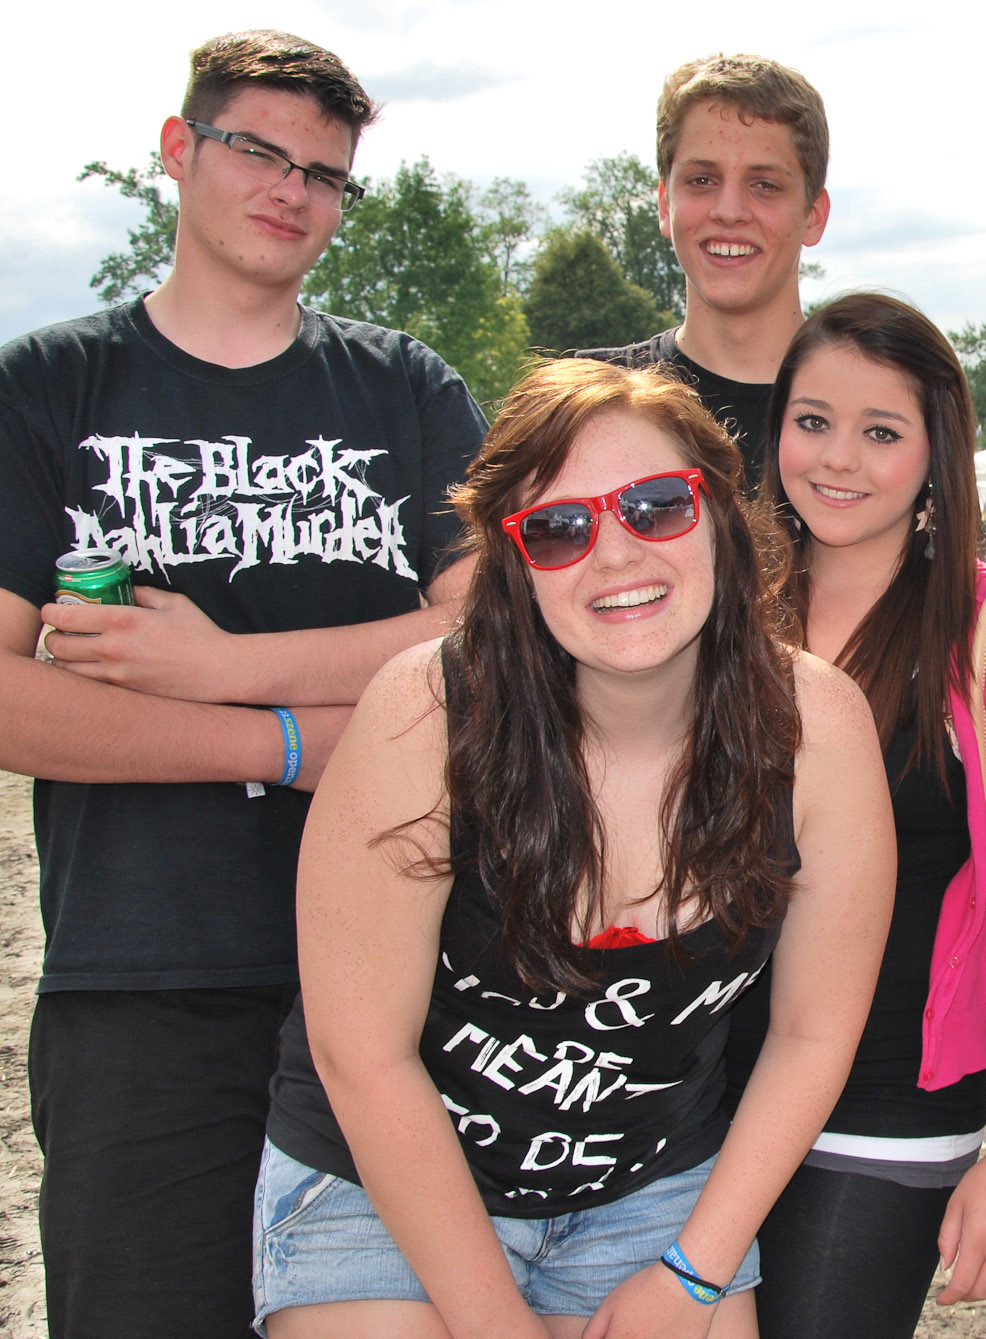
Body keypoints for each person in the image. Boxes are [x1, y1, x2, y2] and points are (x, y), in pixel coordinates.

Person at [0, 31, 488, 1338]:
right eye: (258, 151)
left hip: (404, 972)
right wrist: (281, 744)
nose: (291, 190)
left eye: (324, 174)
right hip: (140, 980)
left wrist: (220, 671)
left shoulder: (405, 390)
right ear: (179, 149)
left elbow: (483, 634)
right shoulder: (49, 386)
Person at [253, 359, 895, 1337]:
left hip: (648, 1192)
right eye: (558, 528)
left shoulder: (817, 730)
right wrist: (495, 1322)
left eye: (655, 506)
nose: (615, 554)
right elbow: (363, 1056)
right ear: (514, 563)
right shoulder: (424, 713)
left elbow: (812, 1036)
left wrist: (693, 1274)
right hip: (392, 1184)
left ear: (718, 516)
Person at [720, 292, 986, 1337]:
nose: (838, 458)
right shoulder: (724, 608)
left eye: (881, 432)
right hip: (701, 1092)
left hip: (883, 1106)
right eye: (813, 421)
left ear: (937, 453)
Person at [579, 53, 830, 490]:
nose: (729, 211)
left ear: (813, 215)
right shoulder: (586, 407)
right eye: (701, 180)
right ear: (664, 204)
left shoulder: (884, 414)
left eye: (764, 185)